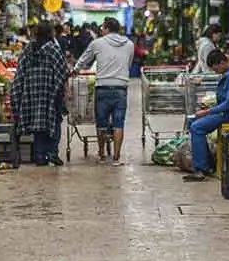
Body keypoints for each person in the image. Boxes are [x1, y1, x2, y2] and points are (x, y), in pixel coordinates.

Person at [183, 49, 229, 182]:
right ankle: (206, 164)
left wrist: (207, 112)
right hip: (227, 112)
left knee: (197, 127)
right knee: (192, 123)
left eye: (215, 69)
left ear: (221, 62)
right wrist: (210, 109)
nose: (216, 72)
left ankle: (200, 169)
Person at [76, 18, 136, 165]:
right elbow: (128, 64)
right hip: (120, 88)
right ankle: (116, 158)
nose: (101, 30)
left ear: (107, 28)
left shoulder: (97, 43)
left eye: (102, 27)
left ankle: (102, 155)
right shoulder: (129, 44)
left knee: (101, 123)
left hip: (102, 87)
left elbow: (83, 60)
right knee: (118, 123)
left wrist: (75, 70)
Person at [9, 21, 69, 166]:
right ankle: (52, 153)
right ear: (51, 33)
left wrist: (19, 93)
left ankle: (40, 156)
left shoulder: (28, 49)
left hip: (32, 93)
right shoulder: (53, 49)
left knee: (37, 124)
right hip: (50, 92)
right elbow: (63, 70)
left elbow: (20, 72)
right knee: (53, 121)